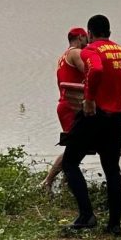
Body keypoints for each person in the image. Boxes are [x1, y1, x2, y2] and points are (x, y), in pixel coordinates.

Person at [62, 14, 121, 236]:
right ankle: (114, 225)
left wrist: (90, 98)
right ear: (110, 34)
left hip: (93, 115)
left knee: (70, 163)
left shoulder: (90, 50)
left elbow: (96, 70)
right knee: (112, 170)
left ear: (90, 33)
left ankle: (87, 216)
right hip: (115, 119)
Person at [42, 27, 88, 191]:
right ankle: (47, 181)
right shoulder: (75, 53)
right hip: (71, 106)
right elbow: (89, 72)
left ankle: (66, 179)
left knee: (79, 147)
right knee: (74, 148)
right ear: (81, 37)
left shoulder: (63, 57)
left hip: (66, 104)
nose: (88, 41)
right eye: (86, 38)